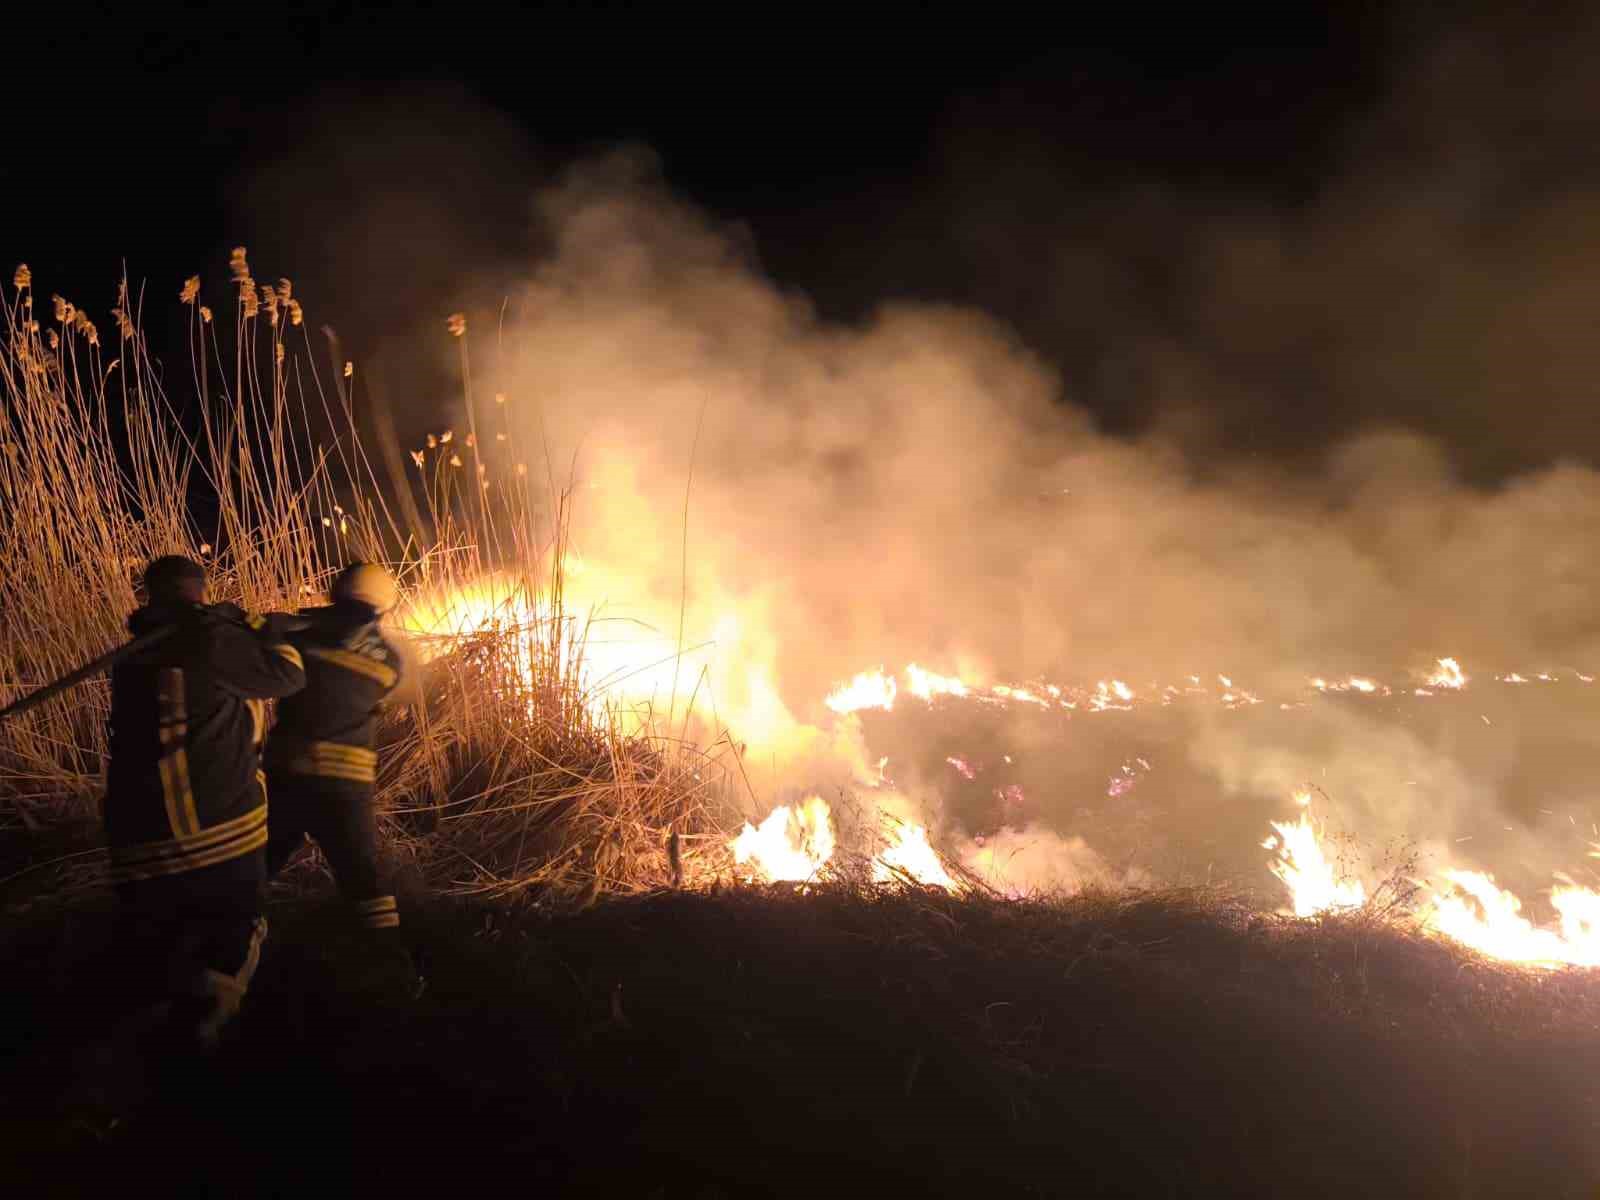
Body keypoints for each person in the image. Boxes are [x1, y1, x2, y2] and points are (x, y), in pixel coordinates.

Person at [105, 555, 306, 1052]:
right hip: (216, 825)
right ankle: (208, 1041)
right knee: (236, 928)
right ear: (200, 590)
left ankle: (136, 1049)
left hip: (136, 835)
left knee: (163, 941)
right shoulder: (212, 641)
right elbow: (285, 676)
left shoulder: (133, 656)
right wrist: (270, 631)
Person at [264, 562, 419, 993]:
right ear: (384, 605)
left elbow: (276, 645)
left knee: (258, 867)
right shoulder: (389, 660)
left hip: (290, 771)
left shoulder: (301, 634)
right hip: (347, 784)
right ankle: (396, 973)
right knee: (362, 876)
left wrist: (281, 621)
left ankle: (221, 968)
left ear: (336, 591)